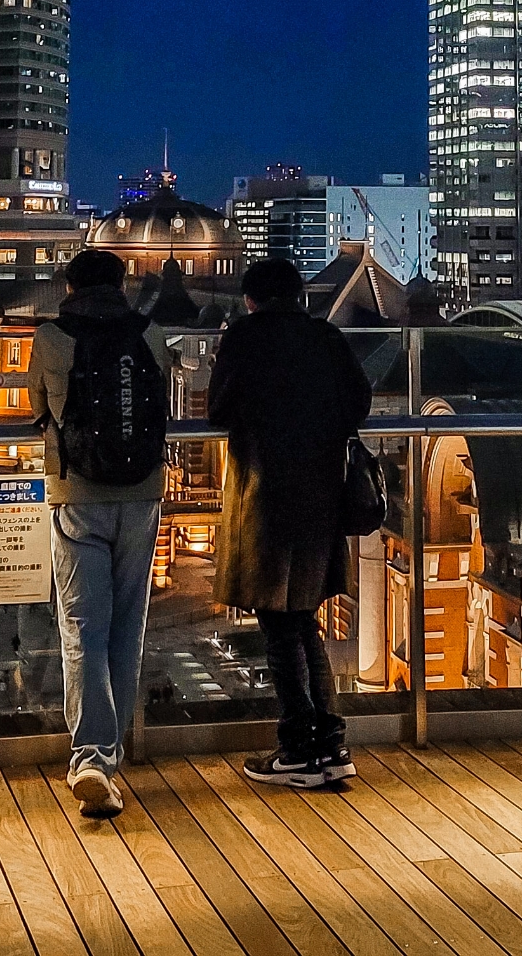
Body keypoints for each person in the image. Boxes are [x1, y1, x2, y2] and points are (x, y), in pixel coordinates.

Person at [212, 256, 374, 790]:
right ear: (300, 295)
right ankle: (331, 745)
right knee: (305, 623)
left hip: (264, 499)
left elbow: (218, 410)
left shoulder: (244, 337)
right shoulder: (326, 337)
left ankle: (299, 750)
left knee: (281, 630)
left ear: (251, 300)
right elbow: (358, 402)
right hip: (320, 497)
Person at [31, 247, 177, 820]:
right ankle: (109, 758)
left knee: (82, 627)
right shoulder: (151, 332)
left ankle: (92, 756)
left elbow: (39, 409)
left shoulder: (50, 337)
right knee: (126, 625)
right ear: (122, 286)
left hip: (77, 494)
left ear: (70, 287)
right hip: (142, 492)